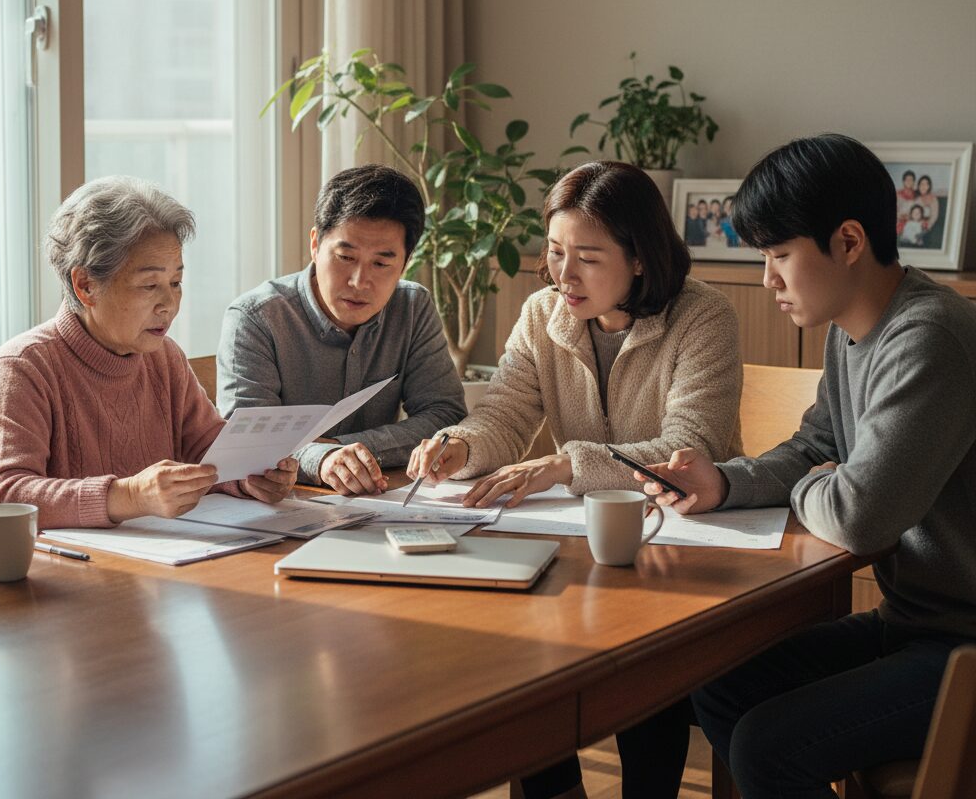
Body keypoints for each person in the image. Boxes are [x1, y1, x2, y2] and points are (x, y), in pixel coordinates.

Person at [631, 134, 976, 799]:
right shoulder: (850, 333)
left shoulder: (928, 336)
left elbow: (860, 516)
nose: (768, 279)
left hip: (962, 644)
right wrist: (725, 480)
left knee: (767, 746)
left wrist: (822, 480)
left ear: (848, 242)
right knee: (718, 680)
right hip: (913, 625)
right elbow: (816, 446)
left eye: (780, 254)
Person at [409, 160, 743, 799]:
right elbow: (505, 412)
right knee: (520, 659)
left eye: (586, 258)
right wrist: (460, 446)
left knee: (649, 667)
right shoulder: (543, 314)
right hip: (587, 544)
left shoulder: (705, 318)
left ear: (639, 259)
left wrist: (567, 463)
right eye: (556, 252)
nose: (562, 275)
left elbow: (686, 447)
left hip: (687, 543)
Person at [0, 177, 298, 529]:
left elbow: (208, 451)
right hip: (44, 573)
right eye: (149, 285)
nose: (168, 304)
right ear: (86, 285)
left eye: (176, 283)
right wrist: (131, 496)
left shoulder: (164, 357)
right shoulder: (22, 367)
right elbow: (6, 496)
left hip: (146, 570)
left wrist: (251, 476)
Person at [216, 164, 466, 495]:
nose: (359, 282)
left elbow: (444, 417)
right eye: (345, 257)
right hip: (285, 508)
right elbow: (248, 446)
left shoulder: (412, 307)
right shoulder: (255, 319)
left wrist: (336, 447)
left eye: (381, 264)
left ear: (405, 263)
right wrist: (320, 459)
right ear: (315, 244)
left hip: (377, 500)